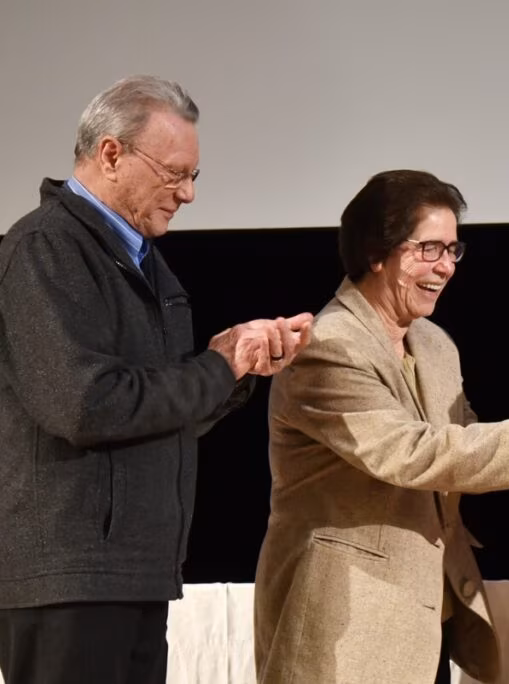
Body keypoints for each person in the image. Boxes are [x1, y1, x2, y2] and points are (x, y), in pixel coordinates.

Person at [252, 169, 509, 684]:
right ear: (376, 251)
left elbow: (466, 444)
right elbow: (411, 453)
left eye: (453, 250)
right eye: (429, 249)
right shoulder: (325, 347)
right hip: (344, 623)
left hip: (427, 616)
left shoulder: (434, 343)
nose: (446, 267)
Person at [0, 75, 313, 684]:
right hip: (70, 580)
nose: (189, 193)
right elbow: (87, 407)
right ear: (110, 153)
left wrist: (235, 368)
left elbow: (154, 413)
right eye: (175, 174)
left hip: (133, 572)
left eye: (194, 175)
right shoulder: (45, 249)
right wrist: (218, 365)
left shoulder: (143, 260)